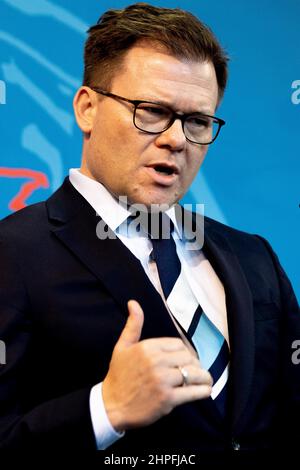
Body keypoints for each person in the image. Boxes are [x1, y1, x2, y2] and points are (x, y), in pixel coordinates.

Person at [0, 2, 299, 460]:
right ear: (87, 108)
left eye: (198, 121)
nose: (176, 139)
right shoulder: (13, 252)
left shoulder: (253, 256)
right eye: (152, 111)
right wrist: (105, 409)